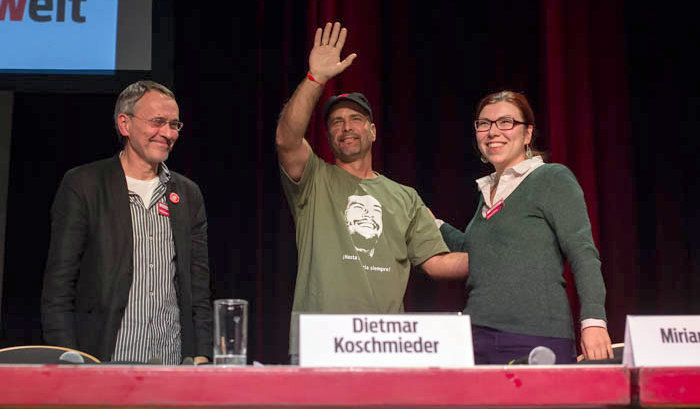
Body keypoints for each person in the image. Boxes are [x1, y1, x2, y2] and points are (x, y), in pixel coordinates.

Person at [276, 22, 468, 359]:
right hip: (321, 344)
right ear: (329, 135)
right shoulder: (315, 179)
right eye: (336, 121)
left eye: (356, 119)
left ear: (374, 131)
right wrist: (315, 79)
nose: (347, 126)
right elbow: (286, 139)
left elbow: (437, 263)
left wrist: (504, 260)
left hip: (383, 346)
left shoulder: (405, 196)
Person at [432, 90, 613, 364]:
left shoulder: (552, 178)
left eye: (506, 122)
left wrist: (593, 321)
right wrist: (426, 221)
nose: (493, 132)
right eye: (484, 123)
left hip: (536, 337)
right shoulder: (487, 192)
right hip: (476, 338)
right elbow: (476, 253)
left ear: (527, 134)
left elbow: (582, 252)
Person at [41, 80, 212, 365]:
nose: (167, 133)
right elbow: (58, 289)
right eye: (158, 122)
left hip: (170, 366)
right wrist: (68, 361)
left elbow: (198, 289)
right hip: (100, 366)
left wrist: (203, 355)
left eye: (174, 125)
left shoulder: (186, 194)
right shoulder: (84, 185)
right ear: (125, 124)